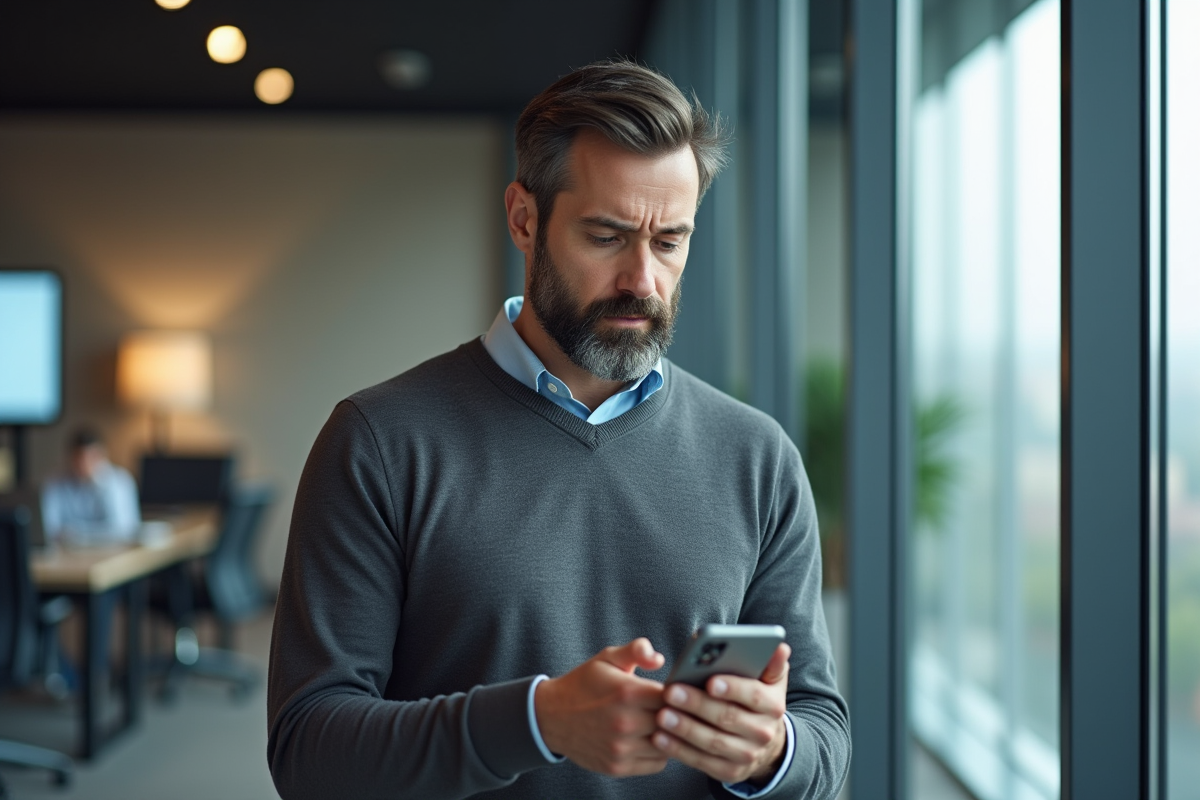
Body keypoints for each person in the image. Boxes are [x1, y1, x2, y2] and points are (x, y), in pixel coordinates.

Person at [267, 60, 850, 799]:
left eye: (669, 241)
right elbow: (307, 753)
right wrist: (537, 722)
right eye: (606, 236)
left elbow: (824, 739)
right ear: (523, 218)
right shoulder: (379, 443)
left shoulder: (757, 457)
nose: (643, 279)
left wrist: (772, 752)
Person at [41, 427, 140, 546]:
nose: (83, 464)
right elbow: (48, 529)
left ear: (102, 455)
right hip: (67, 554)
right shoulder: (54, 483)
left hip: (113, 553)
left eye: (90, 457)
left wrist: (74, 534)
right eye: (78, 457)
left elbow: (122, 530)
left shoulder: (119, 481)